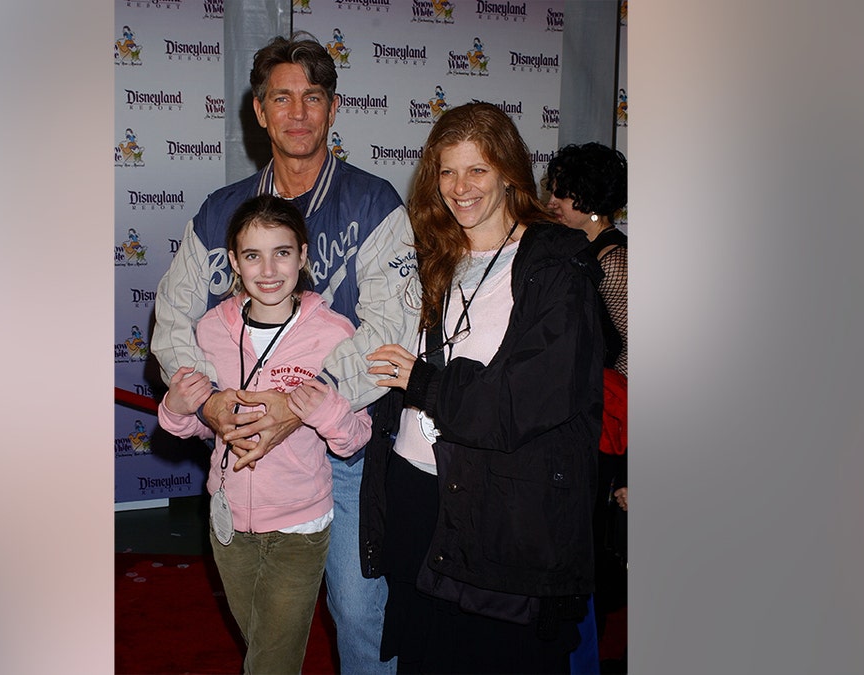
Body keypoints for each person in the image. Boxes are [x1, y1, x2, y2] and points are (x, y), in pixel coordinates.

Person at [151, 32, 416, 673]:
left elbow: (391, 333)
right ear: (260, 111)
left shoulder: (375, 202)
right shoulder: (221, 213)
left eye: (313, 97)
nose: (299, 113)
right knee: (268, 623)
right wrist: (212, 401)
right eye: (283, 98)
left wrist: (296, 406)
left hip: (346, 446)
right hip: (248, 457)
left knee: (357, 612)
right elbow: (172, 318)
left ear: (332, 108)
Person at [362, 102, 605, 673]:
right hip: (417, 497)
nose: (460, 187)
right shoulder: (431, 256)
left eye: (478, 170)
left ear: (509, 174)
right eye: (447, 170)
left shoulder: (556, 266)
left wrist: (424, 381)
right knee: (423, 657)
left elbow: (524, 399)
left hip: (502, 511)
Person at [158, 195, 372, 674]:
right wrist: (175, 408)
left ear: (303, 256)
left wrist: (329, 409)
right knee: (263, 646)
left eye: (282, 252)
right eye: (253, 255)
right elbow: (196, 427)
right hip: (227, 524)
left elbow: (355, 437)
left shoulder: (333, 333)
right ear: (234, 261)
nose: (269, 269)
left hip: (300, 526)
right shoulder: (211, 329)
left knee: (272, 659)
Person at [544, 141, 629, 673]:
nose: (552, 199)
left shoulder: (613, 257)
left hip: (608, 429)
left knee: (587, 555)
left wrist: (606, 399)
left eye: (562, 191)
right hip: (583, 421)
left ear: (589, 198)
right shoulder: (576, 249)